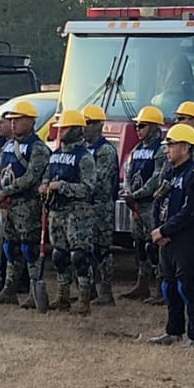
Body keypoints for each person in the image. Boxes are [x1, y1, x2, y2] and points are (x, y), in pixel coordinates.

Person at [148, 123, 194, 346]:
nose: (167, 149)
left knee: (187, 286)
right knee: (169, 286)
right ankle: (173, 331)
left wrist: (165, 230)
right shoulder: (169, 173)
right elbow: (158, 201)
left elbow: (190, 211)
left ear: (185, 147)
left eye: (171, 145)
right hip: (166, 240)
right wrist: (158, 230)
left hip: (186, 239)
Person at [0, 100, 51, 308]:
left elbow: (31, 177)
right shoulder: (8, 145)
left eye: (18, 119)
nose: (13, 123)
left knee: (29, 248)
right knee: (10, 247)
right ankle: (9, 289)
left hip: (27, 205)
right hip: (7, 205)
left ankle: (33, 291)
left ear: (31, 121)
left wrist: (5, 192)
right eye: (12, 120)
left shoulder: (38, 148)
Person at [41, 108, 99, 314]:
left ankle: (84, 299)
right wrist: (45, 186)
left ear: (75, 129)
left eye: (65, 128)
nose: (60, 131)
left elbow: (88, 188)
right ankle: (62, 296)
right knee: (59, 255)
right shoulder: (56, 155)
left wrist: (62, 187)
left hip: (78, 213)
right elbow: (47, 176)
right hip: (57, 211)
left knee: (79, 257)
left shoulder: (84, 158)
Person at [122, 106, 168, 302]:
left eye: (142, 126)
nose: (138, 129)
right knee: (139, 244)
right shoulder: (136, 149)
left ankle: (159, 288)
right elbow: (128, 173)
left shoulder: (161, 150)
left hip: (151, 204)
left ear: (154, 126)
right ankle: (142, 284)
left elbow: (157, 177)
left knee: (153, 246)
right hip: (135, 205)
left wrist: (136, 194)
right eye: (137, 126)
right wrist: (128, 192)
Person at [82, 104, 120, 306]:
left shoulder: (105, 150)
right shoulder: (83, 147)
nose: (84, 127)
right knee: (86, 250)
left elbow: (98, 179)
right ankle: (88, 290)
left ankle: (106, 291)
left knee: (102, 249)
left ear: (98, 125)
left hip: (101, 206)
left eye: (88, 123)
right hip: (85, 205)